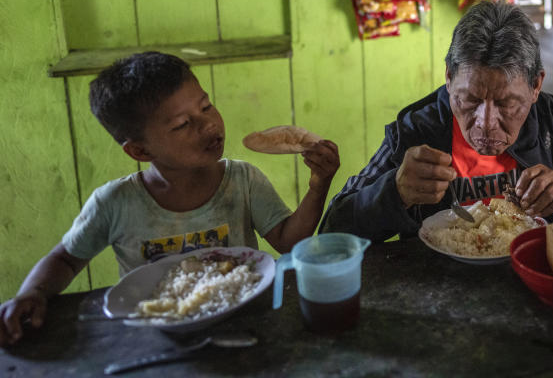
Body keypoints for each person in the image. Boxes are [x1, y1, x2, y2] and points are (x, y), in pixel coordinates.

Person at [0, 52, 340, 346]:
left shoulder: (242, 179)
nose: (208, 125)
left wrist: (319, 184)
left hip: (242, 327)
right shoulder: (115, 203)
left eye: (206, 105)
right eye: (182, 124)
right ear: (140, 150)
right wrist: (33, 292)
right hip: (155, 338)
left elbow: (288, 242)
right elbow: (65, 259)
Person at [320, 0, 553, 241]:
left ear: (535, 87)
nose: (486, 123)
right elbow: (332, 228)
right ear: (449, 79)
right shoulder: (416, 131)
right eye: (469, 100)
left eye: (507, 103)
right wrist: (394, 192)